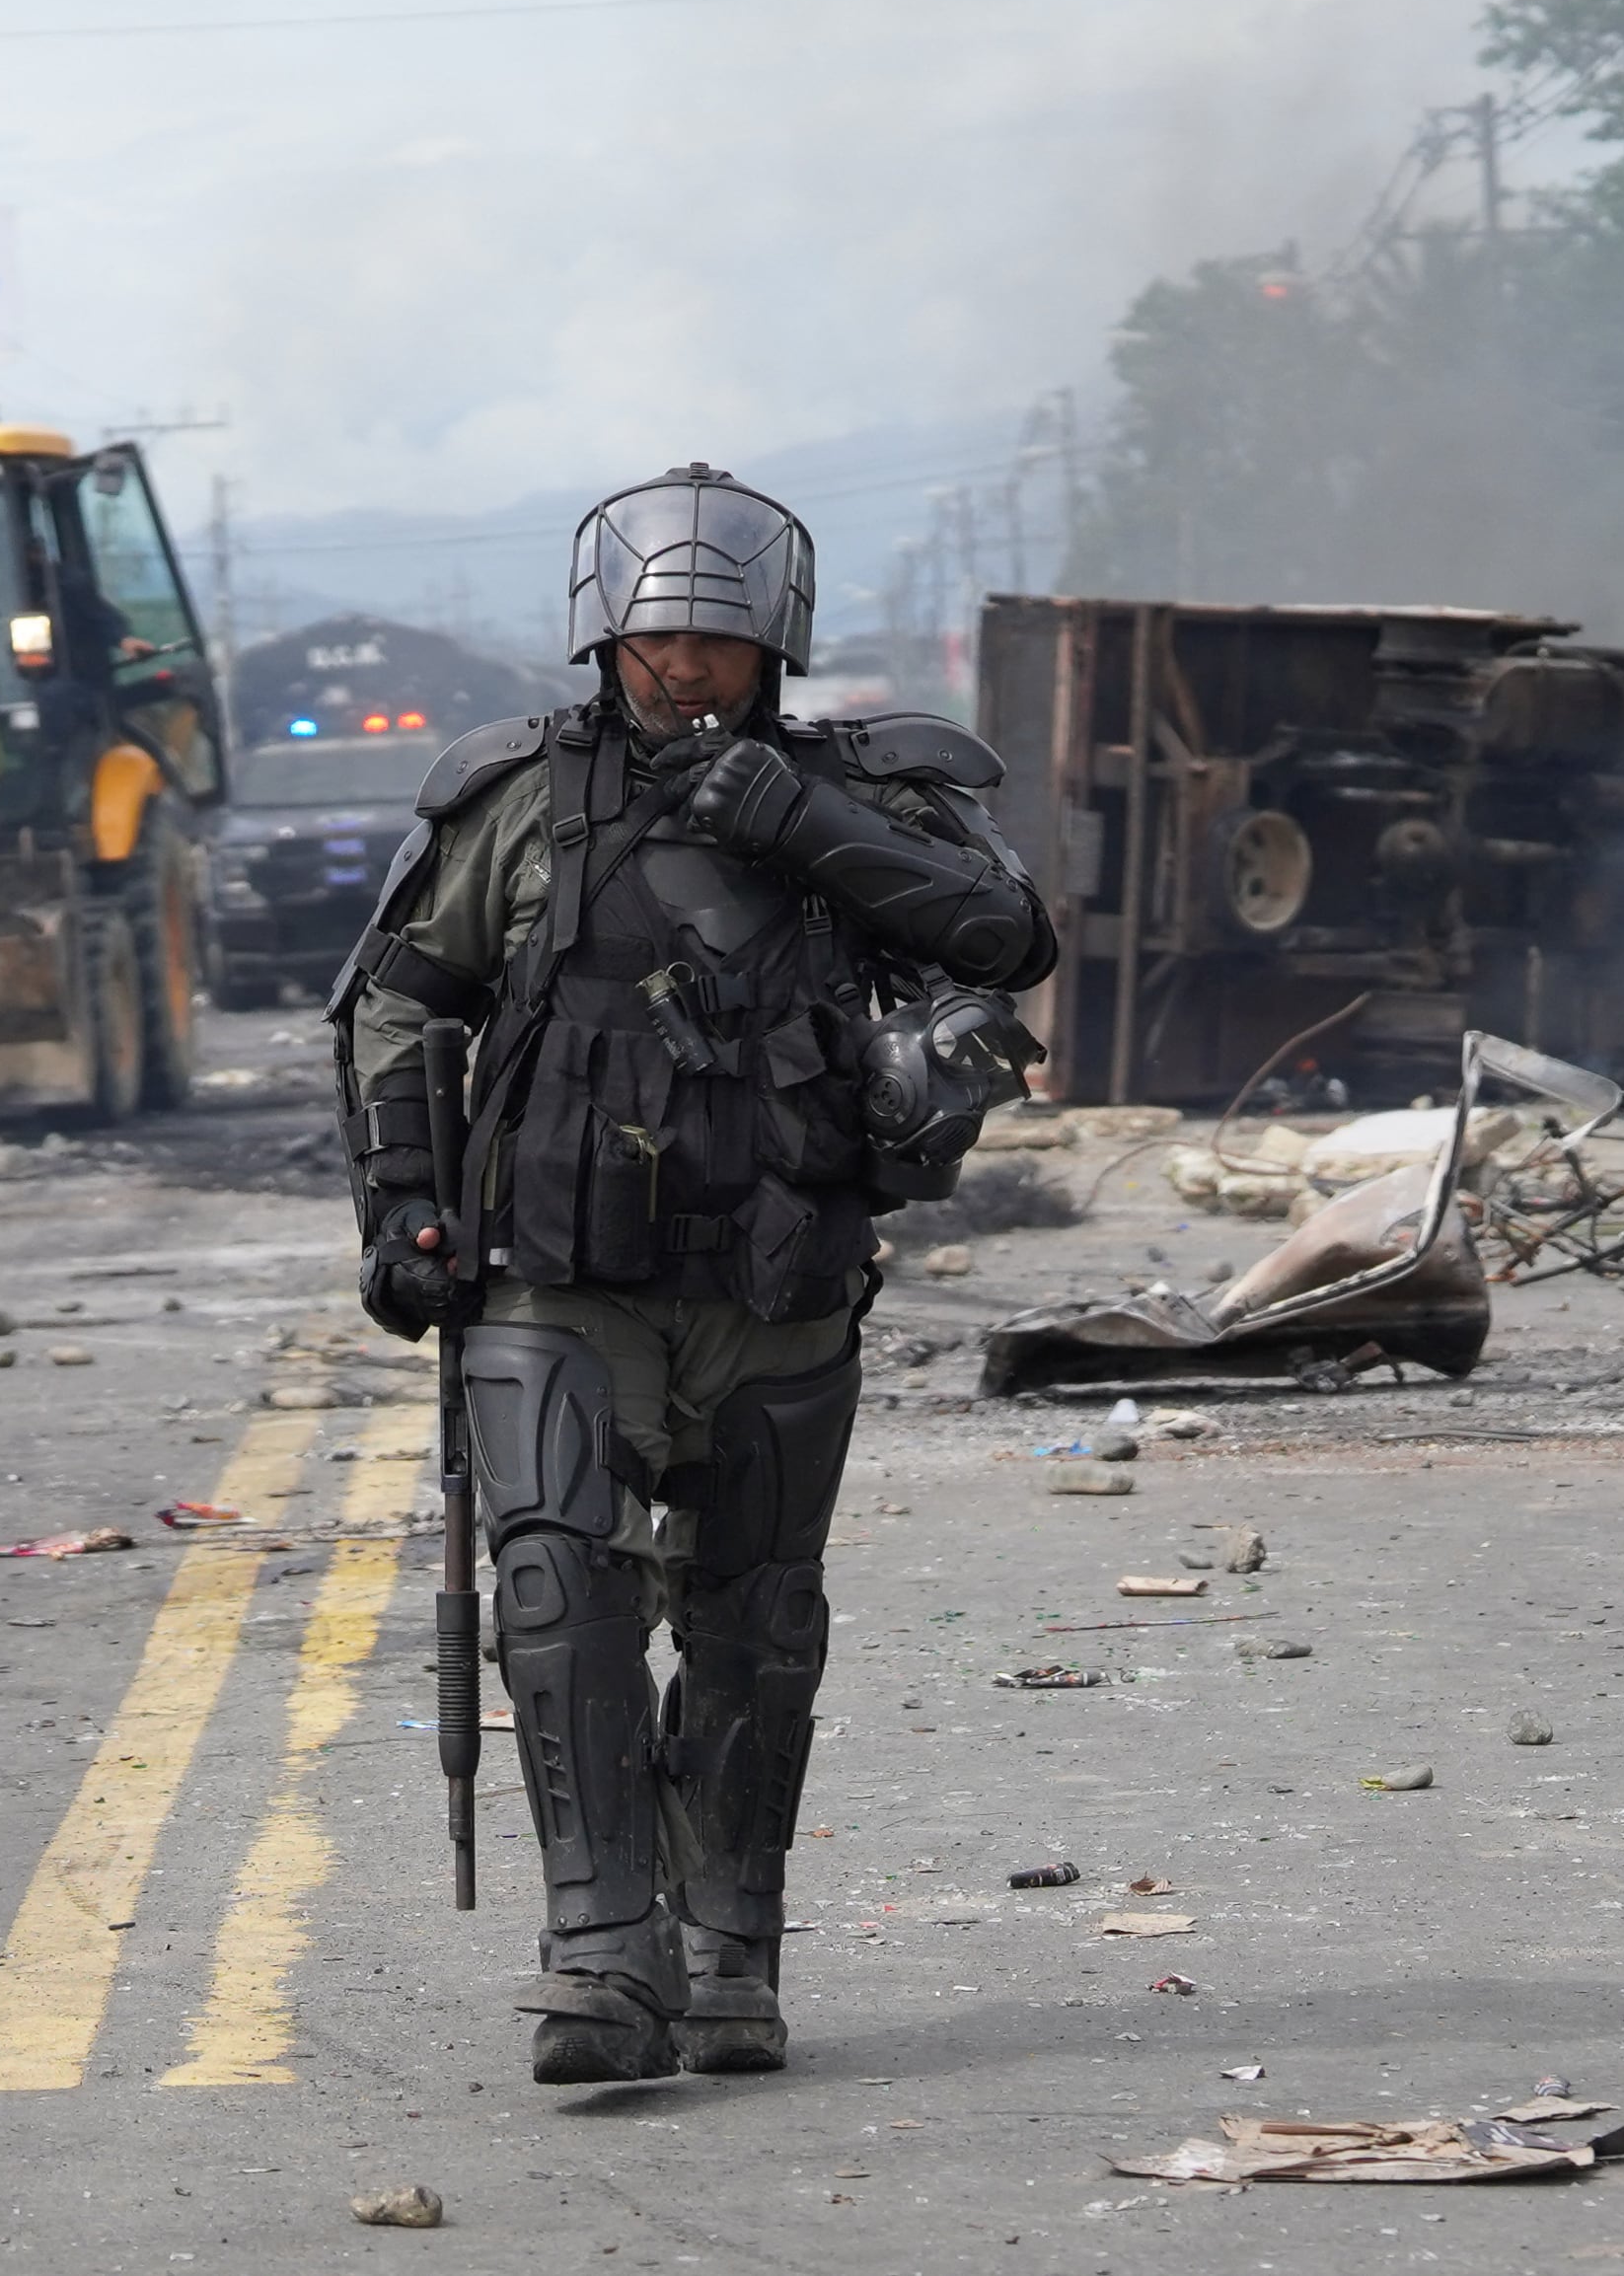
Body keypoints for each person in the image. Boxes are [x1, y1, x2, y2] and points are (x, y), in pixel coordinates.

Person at [330, 461, 1056, 2085]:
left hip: (781, 1279)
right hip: (558, 1282)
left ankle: (732, 1955)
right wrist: (399, 1205)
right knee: (560, 1595)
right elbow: (394, 996)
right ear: (604, 637)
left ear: (773, 649)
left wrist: (811, 829)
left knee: (756, 1624)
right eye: (661, 637)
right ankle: (600, 1959)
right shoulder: (516, 797)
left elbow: (1007, 942)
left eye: (719, 645)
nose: (688, 668)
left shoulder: (862, 790)